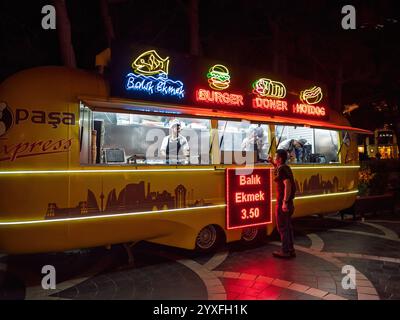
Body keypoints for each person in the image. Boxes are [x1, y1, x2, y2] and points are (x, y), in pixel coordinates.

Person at [268, 149, 297, 258]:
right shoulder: (285, 168)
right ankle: (290, 249)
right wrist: (272, 163)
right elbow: (279, 172)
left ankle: (285, 251)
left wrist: (284, 202)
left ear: (280, 159)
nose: (274, 159)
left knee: (283, 227)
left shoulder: (282, 170)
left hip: (283, 202)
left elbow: (287, 185)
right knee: (288, 226)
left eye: (275, 157)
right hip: (289, 202)